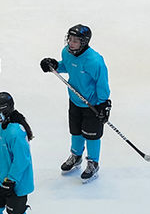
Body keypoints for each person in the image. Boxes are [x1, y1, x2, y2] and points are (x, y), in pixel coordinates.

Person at [39, 24, 111, 182]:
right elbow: (68, 66)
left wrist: (103, 104)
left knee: (92, 136)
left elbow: (102, 84)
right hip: (75, 101)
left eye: (76, 41)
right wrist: (55, 65)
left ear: (84, 42)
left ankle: (93, 162)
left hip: (92, 105)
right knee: (76, 131)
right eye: (70, 39)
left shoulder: (95, 61)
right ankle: (76, 156)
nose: (71, 43)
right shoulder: (66, 52)